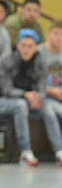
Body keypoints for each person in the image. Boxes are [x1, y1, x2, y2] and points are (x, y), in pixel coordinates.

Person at [0, 29, 47, 167]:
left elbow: (42, 86)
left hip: (30, 100)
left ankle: (59, 150)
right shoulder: (7, 60)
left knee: (50, 107)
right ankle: (25, 151)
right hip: (3, 101)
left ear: (36, 47)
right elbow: (6, 89)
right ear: (18, 46)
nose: (26, 49)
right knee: (20, 105)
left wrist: (38, 97)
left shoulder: (40, 62)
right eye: (23, 45)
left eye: (30, 46)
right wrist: (25, 95)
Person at [38, 22, 62, 166]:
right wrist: (51, 90)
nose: (59, 38)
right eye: (56, 34)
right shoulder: (38, 53)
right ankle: (59, 151)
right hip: (41, 96)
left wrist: (56, 90)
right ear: (49, 34)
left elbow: (54, 80)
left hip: (56, 96)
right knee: (49, 112)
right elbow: (33, 80)